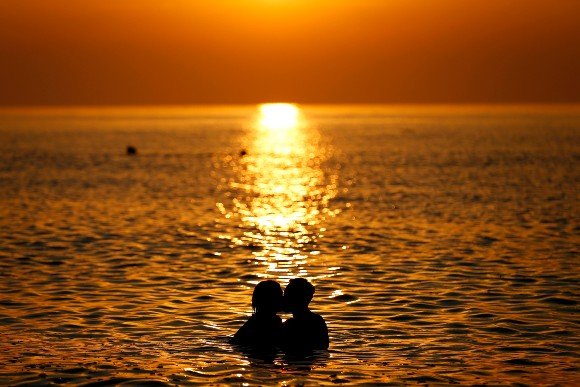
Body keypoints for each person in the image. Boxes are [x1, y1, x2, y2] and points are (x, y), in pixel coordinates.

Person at [230, 280, 283, 348]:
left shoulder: (255, 320)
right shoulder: (272, 321)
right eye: (280, 296)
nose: (282, 299)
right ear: (271, 300)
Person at [281, 278, 329, 351]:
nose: (283, 299)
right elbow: (324, 345)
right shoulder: (318, 320)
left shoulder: (290, 325)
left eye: (286, 295)